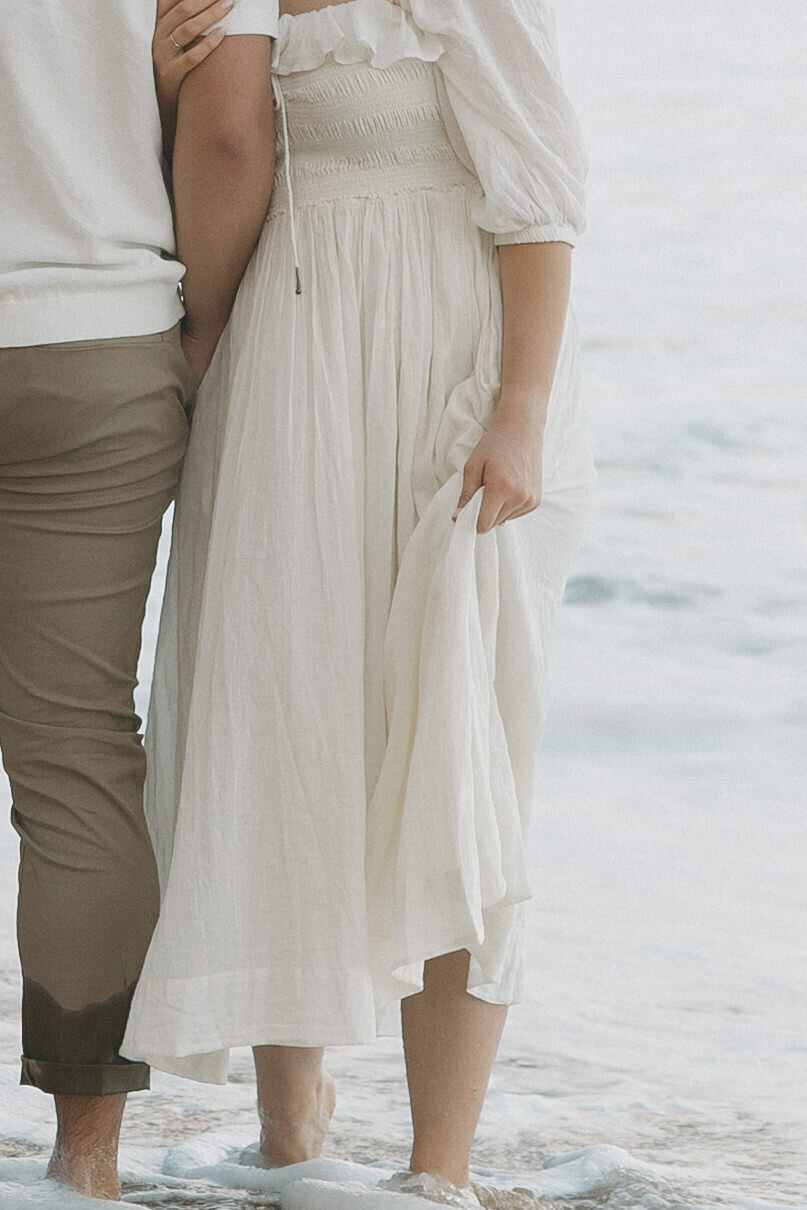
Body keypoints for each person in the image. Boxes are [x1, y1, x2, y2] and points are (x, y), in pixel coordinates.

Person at [123, 0, 595, 1198]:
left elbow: (542, 189)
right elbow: (226, 153)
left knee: (456, 753)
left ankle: (438, 1170)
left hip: (453, 370)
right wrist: (166, 91)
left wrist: (522, 413)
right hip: (288, 367)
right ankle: (293, 1136)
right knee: (284, 721)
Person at [0, 0, 277, 1198]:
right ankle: (85, 1168)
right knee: (74, 755)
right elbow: (229, 132)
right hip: (97, 337)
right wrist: (198, 338)